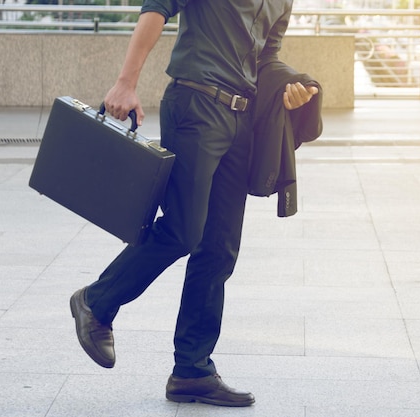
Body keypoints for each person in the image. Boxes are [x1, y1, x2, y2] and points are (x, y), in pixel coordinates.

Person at [69, 0, 318, 407]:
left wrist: (293, 85)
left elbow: (265, 57)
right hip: (196, 105)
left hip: (242, 120)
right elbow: (157, 8)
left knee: (220, 246)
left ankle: (192, 369)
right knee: (184, 229)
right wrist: (126, 82)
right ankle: (96, 301)